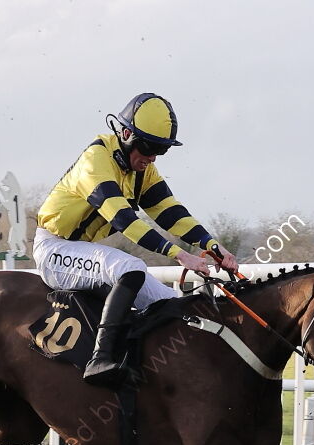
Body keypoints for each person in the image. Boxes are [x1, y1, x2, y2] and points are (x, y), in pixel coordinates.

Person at [34, 92, 238, 386]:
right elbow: (123, 219)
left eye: (161, 150)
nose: (153, 157)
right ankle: (100, 360)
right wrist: (180, 254)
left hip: (80, 250)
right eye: (149, 147)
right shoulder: (96, 160)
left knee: (175, 305)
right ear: (127, 134)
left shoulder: (143, 170)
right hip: (53, 250)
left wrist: (212, 246)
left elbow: (170, 213)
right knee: (130, 267)